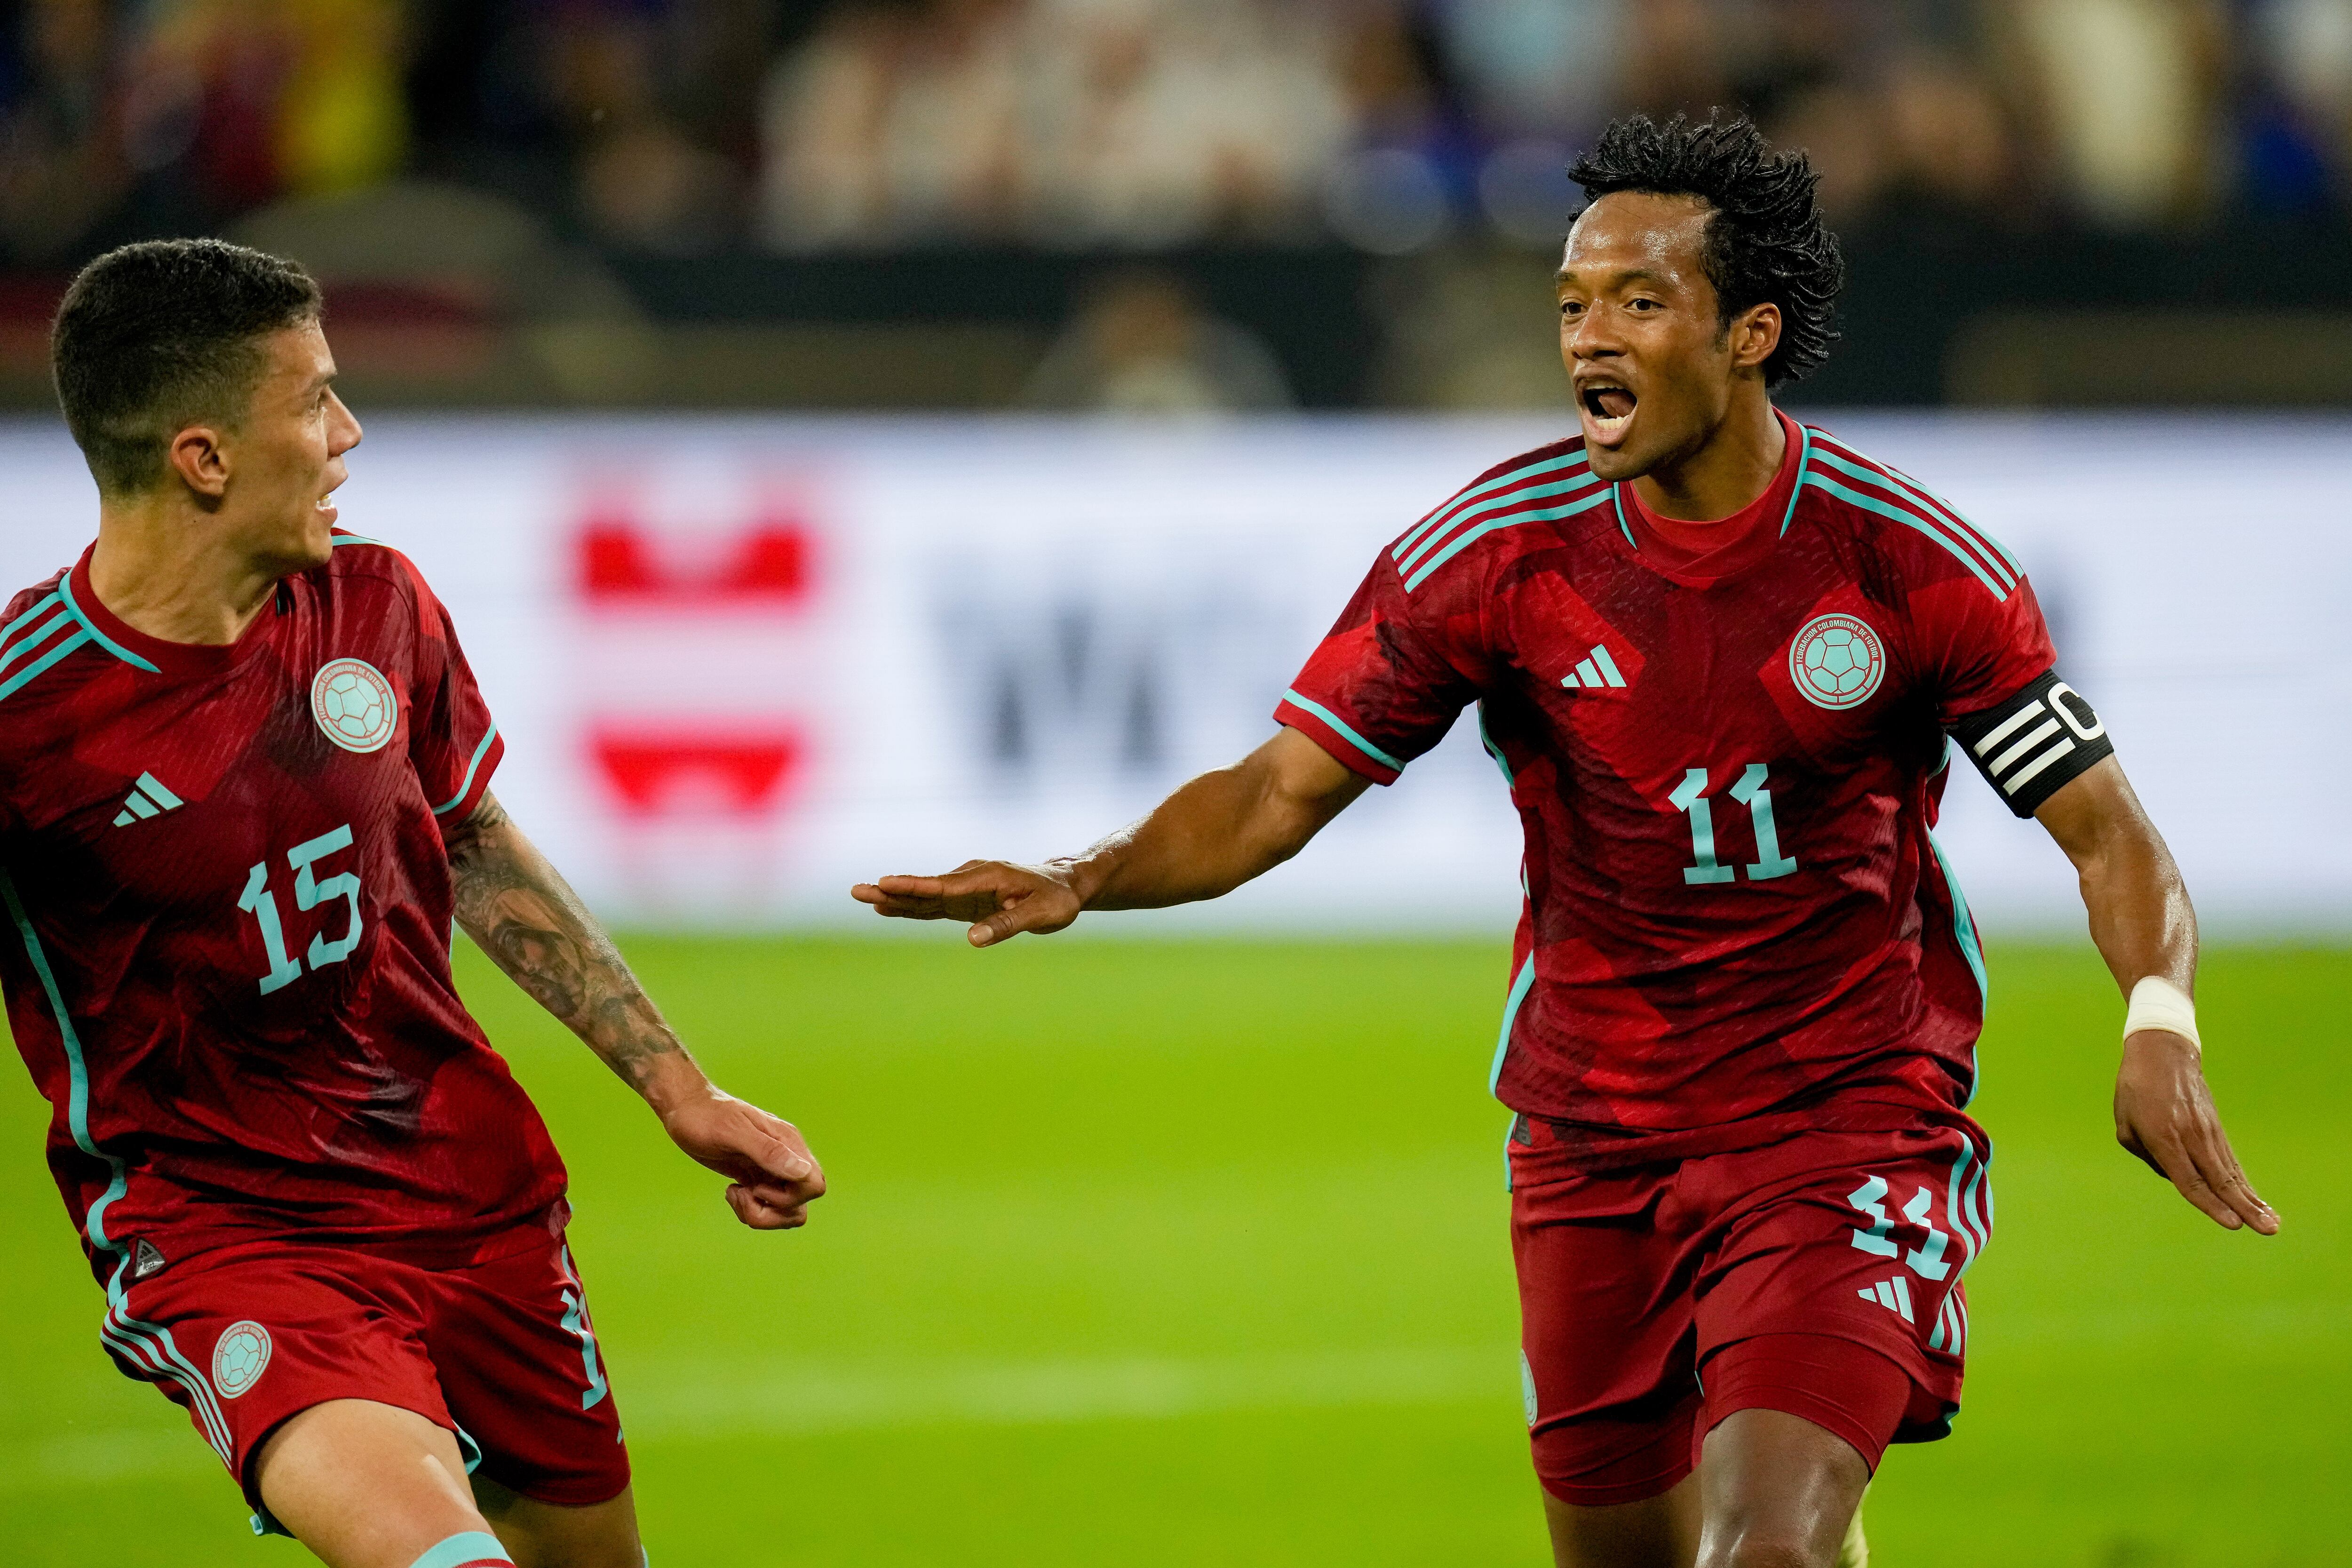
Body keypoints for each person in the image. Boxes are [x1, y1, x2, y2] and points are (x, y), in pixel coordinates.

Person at [852, 115, 2277, 1568]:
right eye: (1572, 305)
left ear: (1749, 336)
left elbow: (2111, 836)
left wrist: (2160, 1020)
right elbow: (1276, 794)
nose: (1590, 337)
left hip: (1843, 1116)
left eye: (1640, 303)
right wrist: (1082, 875)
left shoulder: (1906, 563)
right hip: (1594, 1135)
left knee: (1766, 1547)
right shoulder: (1498, 550)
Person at [0, 239, 826, 1568]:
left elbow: (475, 842)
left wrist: (679, 1088)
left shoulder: (376, 604)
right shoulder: (30, 722)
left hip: (472, 1198)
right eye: (315, 400)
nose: (350, 432)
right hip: (236, 1238)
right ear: (203, 457)